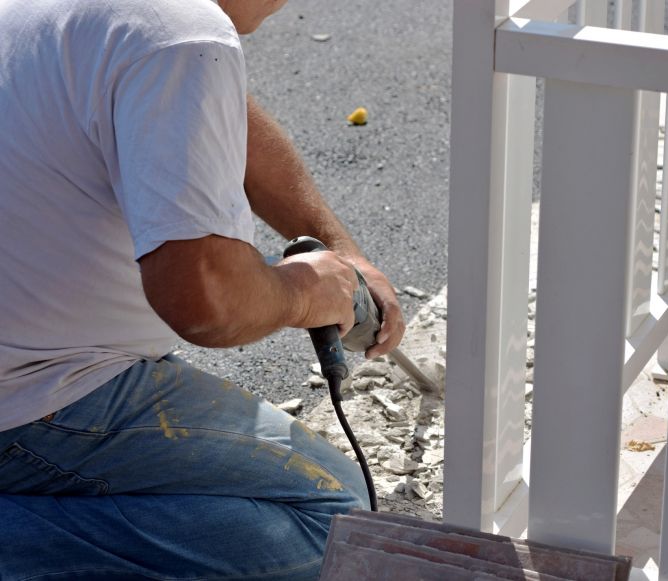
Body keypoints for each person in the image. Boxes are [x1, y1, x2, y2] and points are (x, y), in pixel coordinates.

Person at [0, 0, 405, 579]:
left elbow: (225, 121)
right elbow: (204, 302)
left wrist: (344, 255)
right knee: (333, 522)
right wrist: (304, 291)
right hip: (32, 394)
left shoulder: (138, 23)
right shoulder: (181, 35)